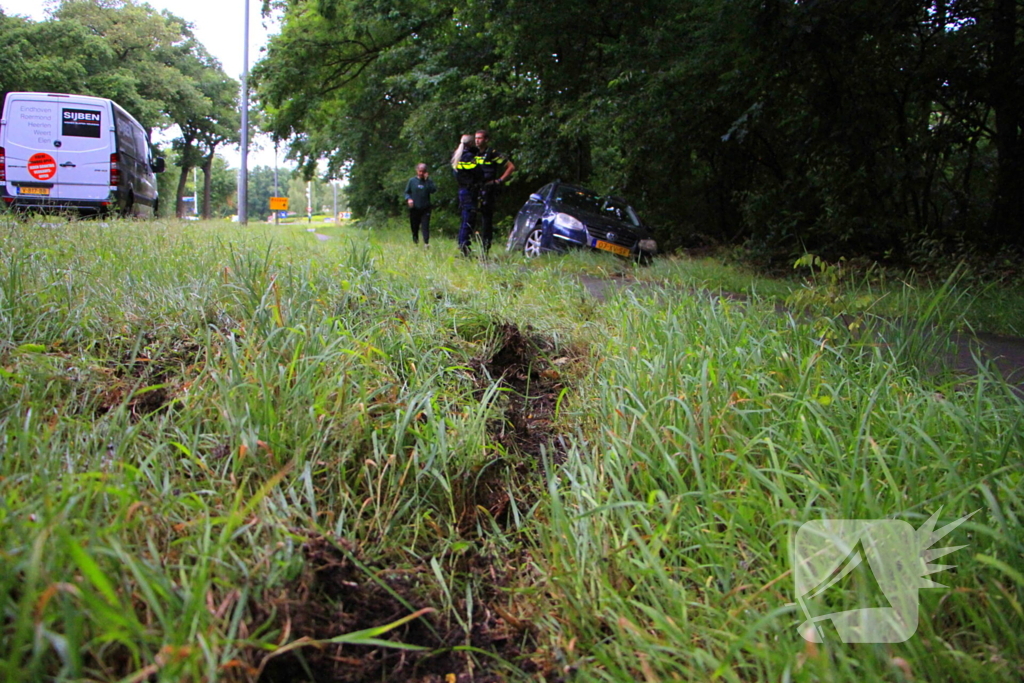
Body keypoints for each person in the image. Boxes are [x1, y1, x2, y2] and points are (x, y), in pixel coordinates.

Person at [474, 129, 515, 254]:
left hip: (488, 188)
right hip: (475, 188)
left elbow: (510, 167)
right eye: (476, 138)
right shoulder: (473, 153)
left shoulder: (492, 154)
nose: (477, 140)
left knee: (486, 219)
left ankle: (485, 248)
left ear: (486, 140)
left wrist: (499, 181)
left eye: (480, 138)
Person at [451, 133, 482, 256]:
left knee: (465, 217)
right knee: (468, 218)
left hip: (463, 190)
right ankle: (464, 246)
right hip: (469, 191)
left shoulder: (458, 156)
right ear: (470, 143)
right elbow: (478, 173)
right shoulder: (468, 157)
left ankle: (462, 244)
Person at [403, 163, 436, 245]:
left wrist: (427, 180)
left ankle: (426, 243)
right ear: (417, 171)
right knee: (414, 226)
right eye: (420, 171)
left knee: (425, 226)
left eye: (423, 171)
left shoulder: (428, 181)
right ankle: (415, 241)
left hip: (425, 208)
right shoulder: (412, 181)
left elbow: (432, 190)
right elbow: (407, 192)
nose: (421, 173)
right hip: (414, 208)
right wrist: (409, 199)